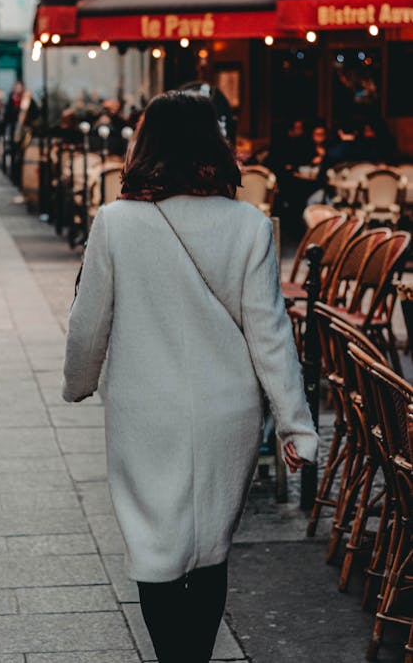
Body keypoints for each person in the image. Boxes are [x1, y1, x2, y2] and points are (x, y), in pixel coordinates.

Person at [62, 91, 318, 663]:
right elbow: (271, 335)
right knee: (210, 547)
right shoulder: (249, 226)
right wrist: (295, 424)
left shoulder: (115, 223)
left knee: (154, 545)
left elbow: (88, 322)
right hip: (228, 411)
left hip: (144, 410)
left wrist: (78, 381)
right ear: (215, 144)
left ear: (144, 143)